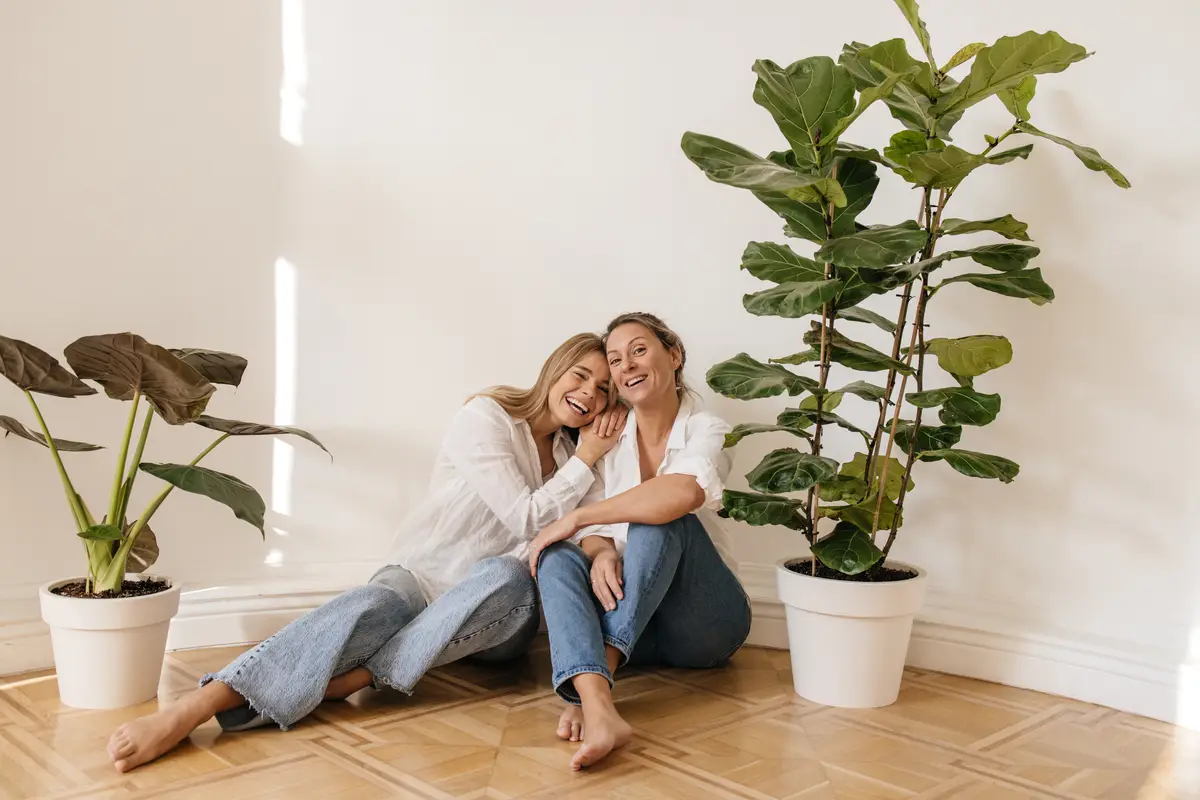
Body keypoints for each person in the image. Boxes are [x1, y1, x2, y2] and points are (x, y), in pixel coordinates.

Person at [107, 332, 627, 773]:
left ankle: (361, 674)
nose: (588, 393)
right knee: (371, 605)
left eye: (603, 389)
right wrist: (586, 460)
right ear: (554, 370)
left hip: (495, 618)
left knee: (508, 574)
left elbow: (584, 527)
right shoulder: (487, 417)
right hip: (419, 576)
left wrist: (594, 514)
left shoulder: (577, 457)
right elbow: (526, 515)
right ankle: (202, 703)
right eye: (580, 375)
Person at [527, 312, 752, 771]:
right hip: (636, 628)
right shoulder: (609, 438)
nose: (626, 364)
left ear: (673, 355)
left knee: (662, 519)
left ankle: (595, 684)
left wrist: (577, 518)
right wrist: (601, 548)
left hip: (705, 625)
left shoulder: (706, 428)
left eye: (639, 350)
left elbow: (683, 493)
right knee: (555, 557)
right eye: (616, 358)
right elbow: (593, 533)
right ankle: (598, 705)